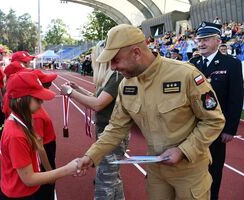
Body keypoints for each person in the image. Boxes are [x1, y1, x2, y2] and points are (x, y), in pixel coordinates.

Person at [76, 24, 225, 200]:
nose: (113, 67)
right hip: (156, 171)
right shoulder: (126, 84)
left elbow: (214, 120)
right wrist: (91, 156)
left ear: (137, 53)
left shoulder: (185, 75)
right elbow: (116, 128)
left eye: (116, 60)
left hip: (190, 171)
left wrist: (183, 150)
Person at [61, 41, 128, 200]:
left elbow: (98, 104)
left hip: (112, 136)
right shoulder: (111, 77)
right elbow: (97, 98)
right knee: (112, 179)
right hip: (108, 133)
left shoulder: (116, 77)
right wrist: (78, 89)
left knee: (104, 183)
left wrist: (70, 92)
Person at [0, 71, 78, 199]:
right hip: (19, 194)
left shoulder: (23, 120)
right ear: (21, 100)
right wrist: (67, 169)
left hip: (23, 191)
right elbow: (29, 179)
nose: (42, 102)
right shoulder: (16, 135)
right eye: (37, 98)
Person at [189, 21, 243, 200]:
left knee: (214, 168)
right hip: (192, 128)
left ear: (218, 41)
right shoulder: (193, 63)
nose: (201, 43)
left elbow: (236, 98)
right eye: (199, 40)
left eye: (206, 39)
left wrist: (230, 129)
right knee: (192, 167)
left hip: (216, 129)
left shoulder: (231, 64)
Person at [32, 71, 58, 200]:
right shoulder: (35, 114)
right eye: (46, 83)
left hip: (48, 146)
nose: (50, 84)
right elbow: (39, 146)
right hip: (45, 149)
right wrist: (50, 172)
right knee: (46, 189)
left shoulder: (37, 108)